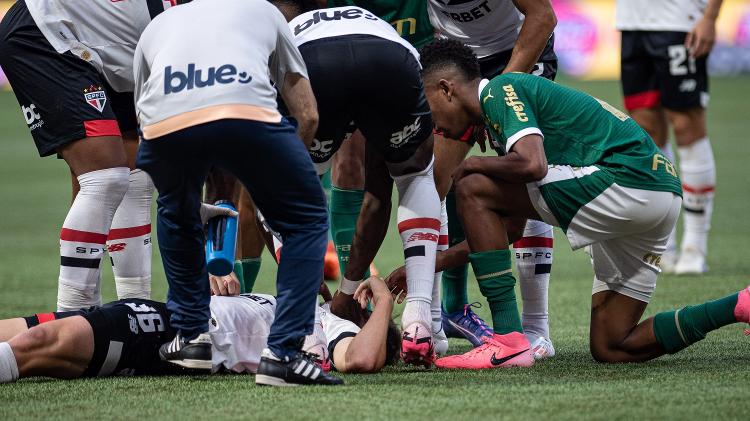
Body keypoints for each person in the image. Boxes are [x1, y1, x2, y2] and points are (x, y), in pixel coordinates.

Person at [415, 39, 746, 369]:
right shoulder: (504, 125)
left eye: (428, 110)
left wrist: (467, 167)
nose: (435, 126)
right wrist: (427, 266)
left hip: (628, 180)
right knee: (613, 345)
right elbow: (511, 230)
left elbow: (533, 165)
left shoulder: (500, 88)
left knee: (472, 185)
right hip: (659, 195)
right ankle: (739, 304)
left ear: (446, 89)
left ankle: (508, 341)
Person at [132, 0, 341, 386]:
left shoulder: (160, 23)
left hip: (164, 122)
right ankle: (284, 355)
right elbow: (307, 114)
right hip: (245, 111)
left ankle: (192, 337)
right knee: (308, 220)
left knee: (176, 212)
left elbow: (147, 119)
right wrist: (277, 183)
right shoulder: (266, 11)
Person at [271, 1, 442, 367]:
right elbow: (376, 199)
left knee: (278, 187)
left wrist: (303, 274)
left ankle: (309, 334)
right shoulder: (372, 22)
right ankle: (419, 323)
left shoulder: (283, 31)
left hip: (313, 62)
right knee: (414, 175)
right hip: (391, 59)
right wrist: (348, 290)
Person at [390, 0, 560, 358]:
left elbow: (543, 16)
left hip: (517, 51)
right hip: (454, 59)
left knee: (524, 179)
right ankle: (431, 321)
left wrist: (496, 99)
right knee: (436, 177)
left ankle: (536, 329)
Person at [0, 0, 168, 311]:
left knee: (136, 177)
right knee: (106, 178)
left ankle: (136, 312)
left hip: (118, 55)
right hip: (49, 33)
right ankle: (73, 318)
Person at [0, 276, 400, 383]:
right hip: (159, 313)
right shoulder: (305, 308)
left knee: (36, 342)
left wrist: (383, 301)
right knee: (21, 329)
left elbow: (362, 358)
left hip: (164, 332)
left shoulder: (332, 326)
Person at [616, 0, 725, 274]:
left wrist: (710, 17)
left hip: (680, 22)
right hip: (631, 24)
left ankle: (695, 247)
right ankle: (663, 245)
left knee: (687, 125)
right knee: (647, 135)